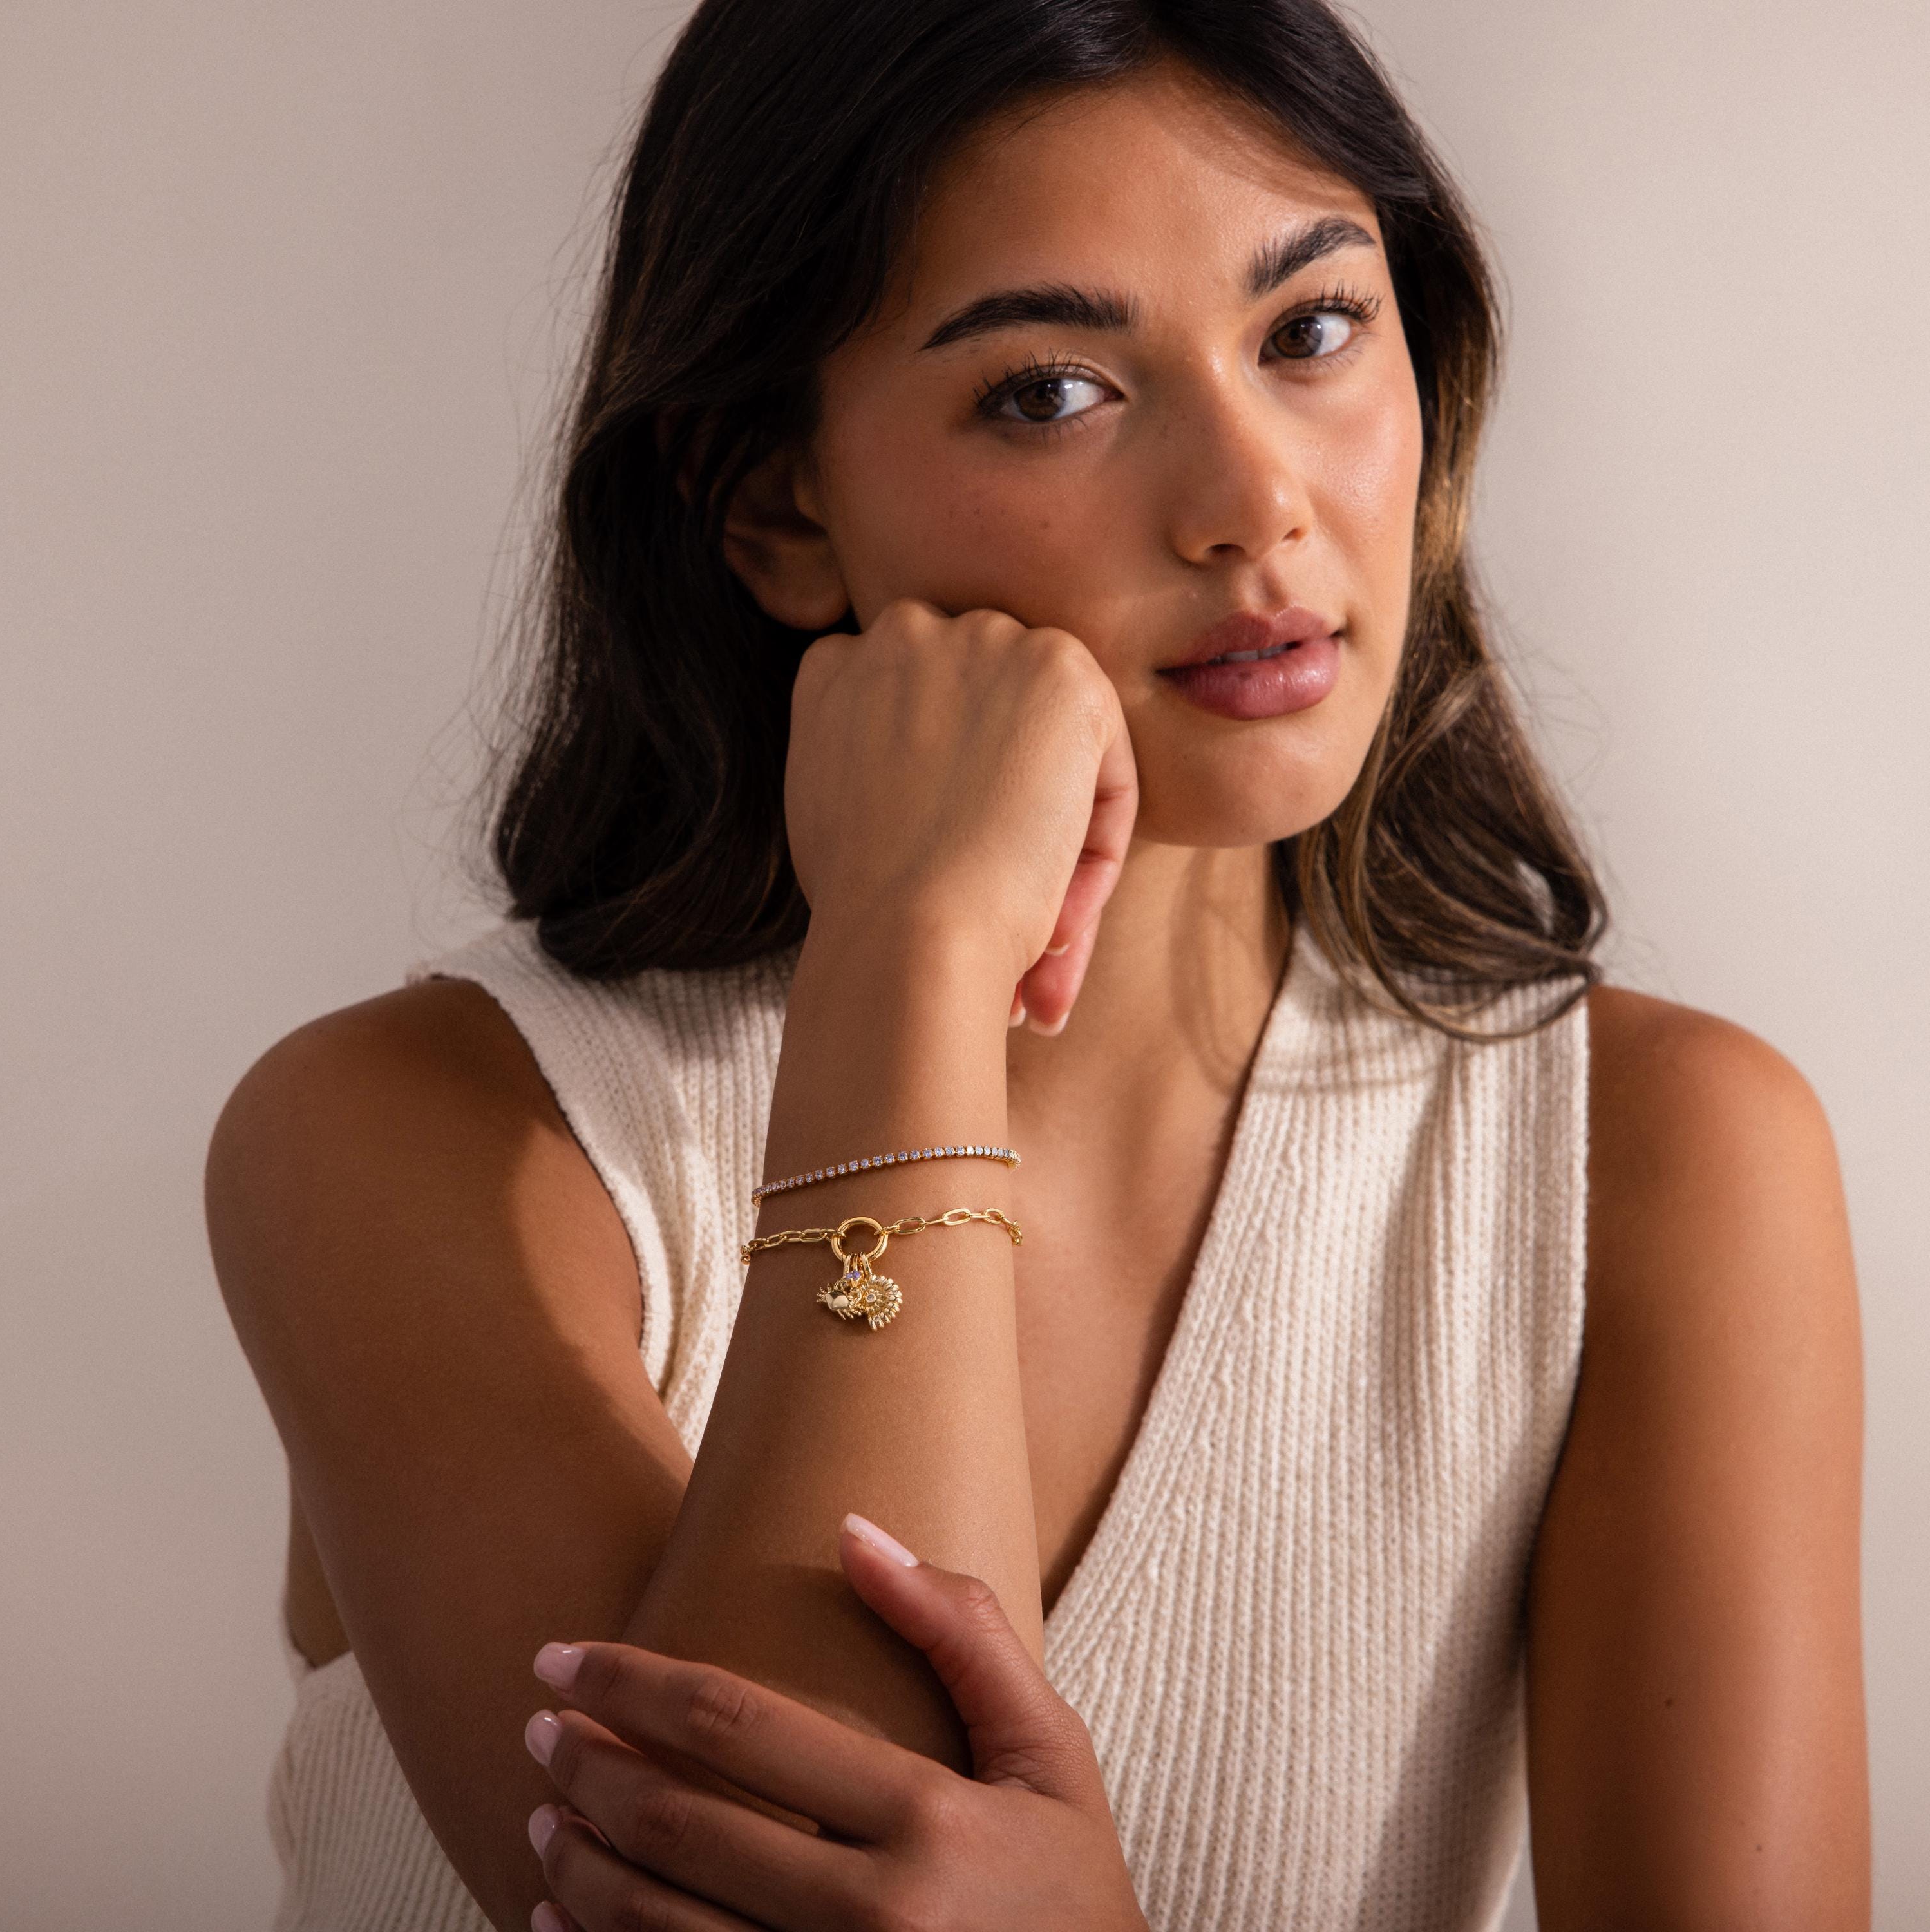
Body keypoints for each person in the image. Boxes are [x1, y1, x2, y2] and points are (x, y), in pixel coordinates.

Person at [205, 2, 1870, 1927]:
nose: (1255, 500)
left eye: (1313, 329)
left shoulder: (1650, 1167)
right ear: (775, 504)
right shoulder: (422, 1145)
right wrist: (912, 962)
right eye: (1051, 390)